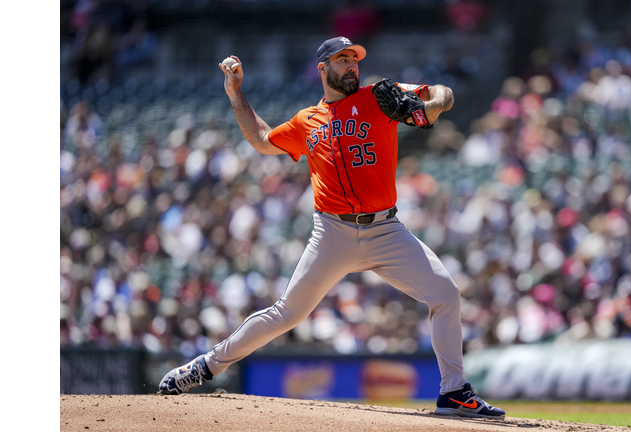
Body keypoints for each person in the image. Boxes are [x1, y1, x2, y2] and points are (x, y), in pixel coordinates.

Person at [158, 36, 505, 420]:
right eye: (342, 60)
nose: (351, 66)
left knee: (446, 293)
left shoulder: (379, 96)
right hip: (332, 234)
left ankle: (454, 392)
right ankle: (205, 366)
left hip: (386, 230)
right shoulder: (308, 120)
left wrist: (430, 106)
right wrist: (235, 92)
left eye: (354, 59)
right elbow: (260, 139)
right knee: (287, 314)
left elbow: (444, 93)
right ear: (323, 69)